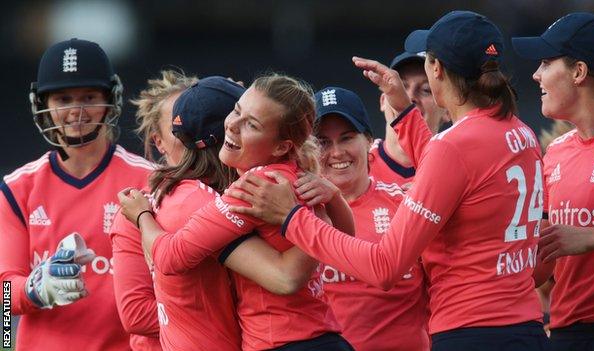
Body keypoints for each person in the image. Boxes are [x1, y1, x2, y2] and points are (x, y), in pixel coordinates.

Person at [226, 11, 549, 351]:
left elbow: (383, 267)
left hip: (472, 331)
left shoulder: (453, 146)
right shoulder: (520, 132)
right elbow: (458, 168)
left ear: (436, 69)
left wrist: (293, 218)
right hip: (524, 326)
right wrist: (405, 112)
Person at [118, 73, 355, 351]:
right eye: (236, 111)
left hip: (284, 343)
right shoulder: (292, 175)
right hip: (322, 338)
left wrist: (141, 217)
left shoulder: (251, 189)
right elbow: (343, 243)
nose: (234, 126)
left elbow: (170, 258)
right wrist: (331, 203)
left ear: (282, 145)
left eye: (251, 123)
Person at [0, 38, 152, 350]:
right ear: (43, 105)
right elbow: (4, 302)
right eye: (63, 98)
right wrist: (35, 288)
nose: (76, 110)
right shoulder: (16, 189)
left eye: (89, 96)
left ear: (111, 99)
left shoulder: (149, 180)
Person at [513, 12, 594, 350]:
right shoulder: (554, 152)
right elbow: (542, 265)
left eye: (546, 62)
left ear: (579, 72)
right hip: (565, 332)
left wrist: (592, 236)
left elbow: (577, 238)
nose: (535, 74)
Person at [304, 86, 429, 350]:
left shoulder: (406, 205)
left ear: (369, 141)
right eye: (323, 142)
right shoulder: (298, 214)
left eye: (347, 138)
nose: (336, 153)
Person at [110, 70, 198, 351]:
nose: (190, 130)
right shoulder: (138, 209)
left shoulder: (242, 194)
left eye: (198, 116)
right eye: (177, 124)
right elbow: (135, 313)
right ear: (158, 141)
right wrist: (215, 318)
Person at [369, 46, 449, 188]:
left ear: (447, 111)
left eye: (426, 90)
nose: (409, 97)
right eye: (400, 86)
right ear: (382, 101)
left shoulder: (456, 175)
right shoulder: (356, 167)